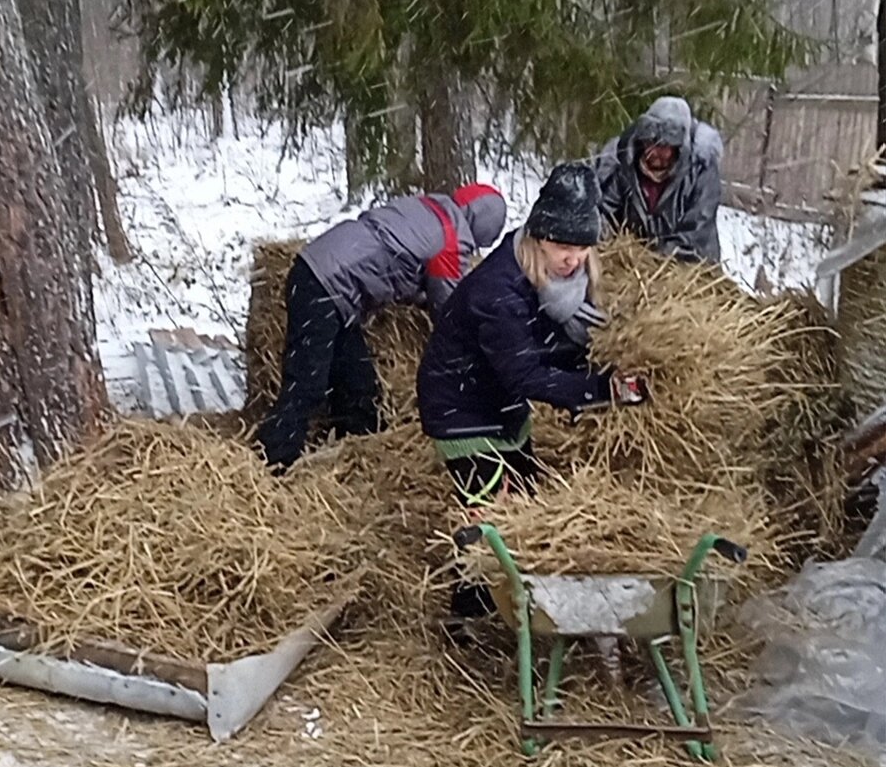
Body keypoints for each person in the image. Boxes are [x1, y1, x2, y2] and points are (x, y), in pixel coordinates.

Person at [416, 162, 646, 620]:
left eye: (582, 246)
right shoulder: (497, 291)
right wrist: (602, 389)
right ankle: (466, 620)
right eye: (563, 245)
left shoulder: (556, 280)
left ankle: (507, 607)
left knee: (524, 500)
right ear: (539, 237)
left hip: (501, 405)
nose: (573, 258)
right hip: (462, 409)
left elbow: (541, 348)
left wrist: (593, 355)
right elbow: (526, 374)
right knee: (492, 515)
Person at [256, 183, 507, 471]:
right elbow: (451, 310)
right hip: (327, 287)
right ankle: (272, 462)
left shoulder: (426, 207)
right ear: (486, 229)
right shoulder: (451, 238)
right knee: (307, 384)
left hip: (326, 280)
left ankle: (358, 451)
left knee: (357, 380)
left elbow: (396, 261)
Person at [595, 95, 723, 263]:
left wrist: (653, 260)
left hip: (684, 269)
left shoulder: (700, 172)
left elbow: (697, 236)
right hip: (630, 266)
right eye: (651, 142)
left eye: (664, 147)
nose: (654, 153)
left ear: (679, 148)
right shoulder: (625, 162)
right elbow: (605, 212)